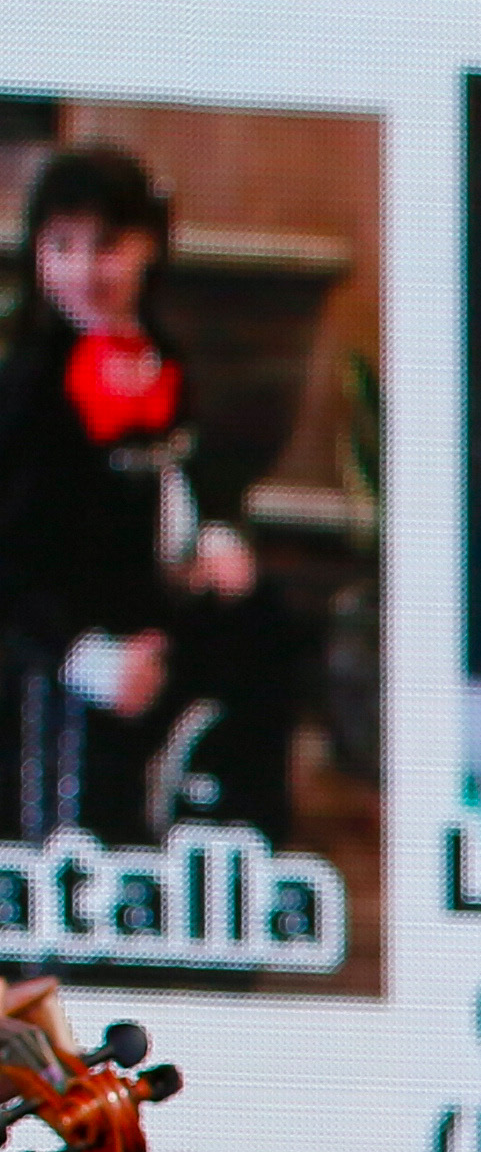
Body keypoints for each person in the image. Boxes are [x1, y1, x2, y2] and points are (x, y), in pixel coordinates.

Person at [1, 141, 291, 844]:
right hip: (58, 661)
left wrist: (214, 533)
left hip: (151, 631)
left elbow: (183, 470)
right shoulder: (30, 385)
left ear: (149, 247)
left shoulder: (159, 356)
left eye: (106, 246)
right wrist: (78, 654)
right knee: (65, 842)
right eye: (61, 246)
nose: (82, 271)